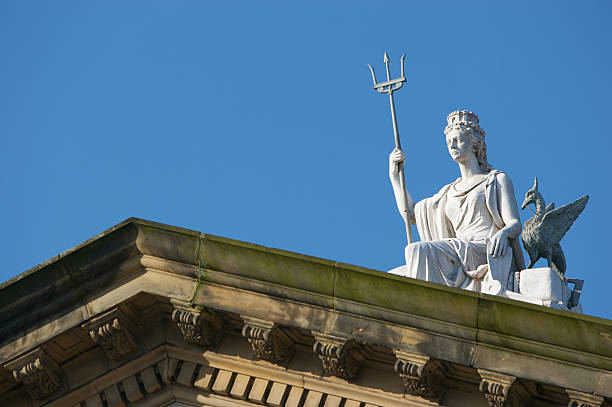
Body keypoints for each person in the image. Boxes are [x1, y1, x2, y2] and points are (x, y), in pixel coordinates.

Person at [389, 110, 525, 291]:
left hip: (483, 248)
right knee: (408, 259)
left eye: (458, 140)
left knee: (417, 251)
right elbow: (411, 214)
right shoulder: (447, 192)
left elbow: (515, 223)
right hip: (457, 249)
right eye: (448, 142)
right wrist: (395, 177)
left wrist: (503, 233)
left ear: (475, 144)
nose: (452, 146)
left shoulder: (495, 180)